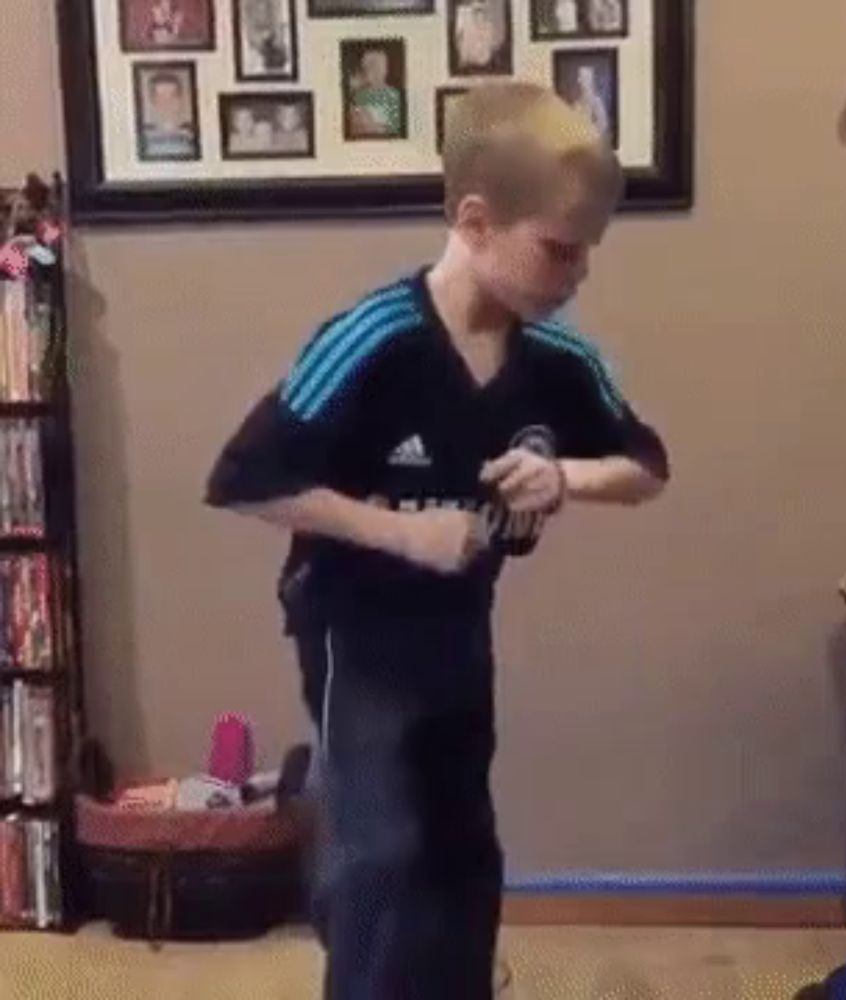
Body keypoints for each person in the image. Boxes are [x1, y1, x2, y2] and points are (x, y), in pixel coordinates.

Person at [204, 80, 669, 1000]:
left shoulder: (558, 358)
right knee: (381, 847)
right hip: (352, 623)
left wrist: (566, 478)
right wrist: (399, 533)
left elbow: (646, 466)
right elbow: (245, 480)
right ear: (476, 219)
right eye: (560, 252)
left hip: (458, 627)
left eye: (588, 258)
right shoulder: (371, 338)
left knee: (460, 836)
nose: (576, 276)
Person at [347, 49, 402, 137]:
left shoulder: (393, 95)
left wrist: (374, 127)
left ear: (385, 70)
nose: (374, 74)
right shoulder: (360, 94)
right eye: (369, 69)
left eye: (378, 68)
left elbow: (394, 129)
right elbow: (354, 123)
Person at [141, 72, 195, 159]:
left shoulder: (194, 135)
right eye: (160, 97)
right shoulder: (142, 136)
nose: (167, 103)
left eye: (172, 96)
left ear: (180, 100)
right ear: (152, 101)